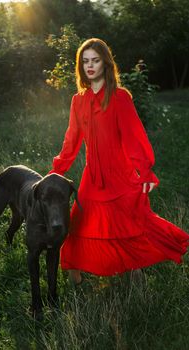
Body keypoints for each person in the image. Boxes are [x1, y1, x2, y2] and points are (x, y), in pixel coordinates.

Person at [48, 38, 189, 284]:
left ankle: (136, 272)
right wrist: (57, 169)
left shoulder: (119, 97)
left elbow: (134, 137)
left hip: (120, 174)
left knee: (129, 224)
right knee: (79, 224)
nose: (90, 66)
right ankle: (75, 278)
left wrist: (144, 171)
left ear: (105, 63)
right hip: (92, 176)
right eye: (85, 61)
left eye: (95, 60)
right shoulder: (78, 101)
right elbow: (71, 140)